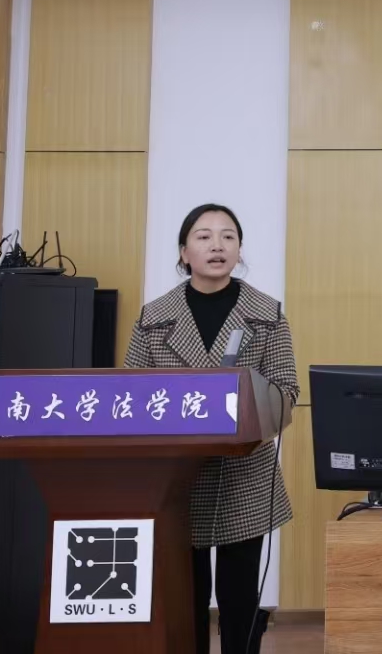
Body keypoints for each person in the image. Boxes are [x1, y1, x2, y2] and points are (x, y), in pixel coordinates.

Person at [124, 204, 299, 654]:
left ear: (239, 250)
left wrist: (245, 411)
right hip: (177, 478)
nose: (217, 245)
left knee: (239, 599)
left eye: (228, 236)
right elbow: (131, 395)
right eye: (203, 237)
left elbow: (286, 392)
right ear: (184, 253)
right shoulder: (153, 317)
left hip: (244, 476)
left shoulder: (267, 314)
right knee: (186, 598)